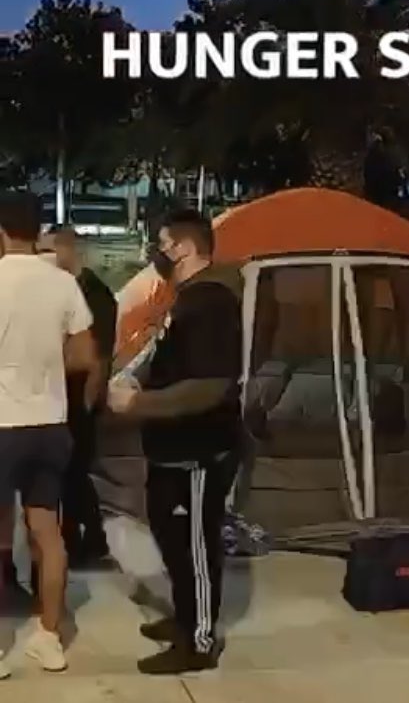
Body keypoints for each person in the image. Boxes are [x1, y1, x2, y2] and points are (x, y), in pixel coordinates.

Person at [106, 208, 243, 675]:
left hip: (199, 451)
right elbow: (171, 364)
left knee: (198, 546)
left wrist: (136, 407)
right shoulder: (185, 298)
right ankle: (185, 617)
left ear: (183, 247)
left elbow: (210, 385)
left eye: (162, 242)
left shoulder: (212, 302)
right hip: (170, 450)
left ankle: (200, 640)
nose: (156, 251)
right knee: (169, 533)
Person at [0, 191, 99, 674]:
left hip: (1, 425)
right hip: (49, 425)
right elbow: (85, 357)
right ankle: (49, 636)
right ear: (36, 231)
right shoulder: (63, 283)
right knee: (48, 533)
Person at [40, 226, 117, 567]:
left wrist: (86, 405)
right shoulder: (68, 289)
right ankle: (77, 538)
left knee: (73, 471)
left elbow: (100, 357)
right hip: (65, 395)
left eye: (47, 251)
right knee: (69, 472)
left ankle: (90, 539)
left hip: (80, 395)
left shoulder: (94, 294)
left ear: (66, 249)